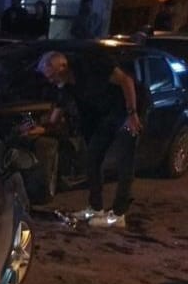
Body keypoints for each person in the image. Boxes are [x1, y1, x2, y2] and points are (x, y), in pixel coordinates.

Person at [26, 51, 142, 227]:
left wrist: (132, 114)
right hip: (107, 115)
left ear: (62, 67)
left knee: (125, 160)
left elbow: (126, 81)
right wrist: (39, 129)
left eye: (52, 76)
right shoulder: (65, 87)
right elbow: (55, 118)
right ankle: (96, 208)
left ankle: (119, 215)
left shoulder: (91, 64)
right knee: (92, 158)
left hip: (129, 108)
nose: (51, 81)